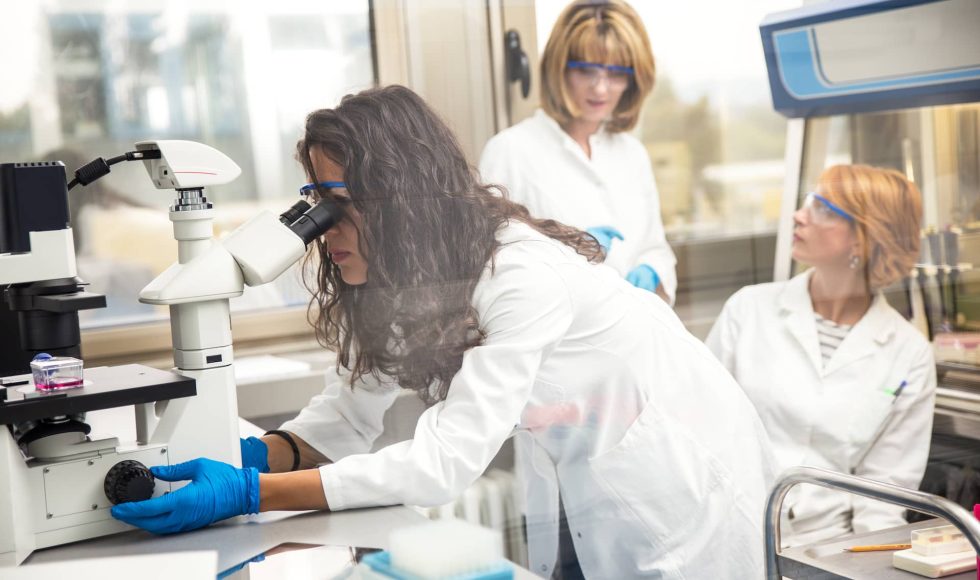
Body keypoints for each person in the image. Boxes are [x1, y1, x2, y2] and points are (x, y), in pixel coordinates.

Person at [112, 85, 774, 578]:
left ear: (403, 200)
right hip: (588, 472)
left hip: (683, 479)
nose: (321, 231)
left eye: (337, 207)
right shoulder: (401, 281)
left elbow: (443, 464)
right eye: (313, 203)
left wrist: (248, 494)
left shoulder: (519, 275)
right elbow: (343, 420)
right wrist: (256, 459)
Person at [706, 164, 937, 547]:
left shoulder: (908, 353)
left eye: (823, 209)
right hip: (731, 529)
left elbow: (883, 493)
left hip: (828, 548)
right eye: (807, 202)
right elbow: (699, 431)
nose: (799, 215)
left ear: (863, 239)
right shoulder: (748, 310)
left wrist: (863, 569)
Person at [479, 0, 677, 304]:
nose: (600, 89)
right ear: (559, 68)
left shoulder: (632, 154)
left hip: (637, 332)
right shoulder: (510, 151)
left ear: (634, 79)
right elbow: (492, 268)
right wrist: (567, 249)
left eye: (616, 74)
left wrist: (651, 269)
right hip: (564, 344)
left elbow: (655, 247)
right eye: (586, 71)